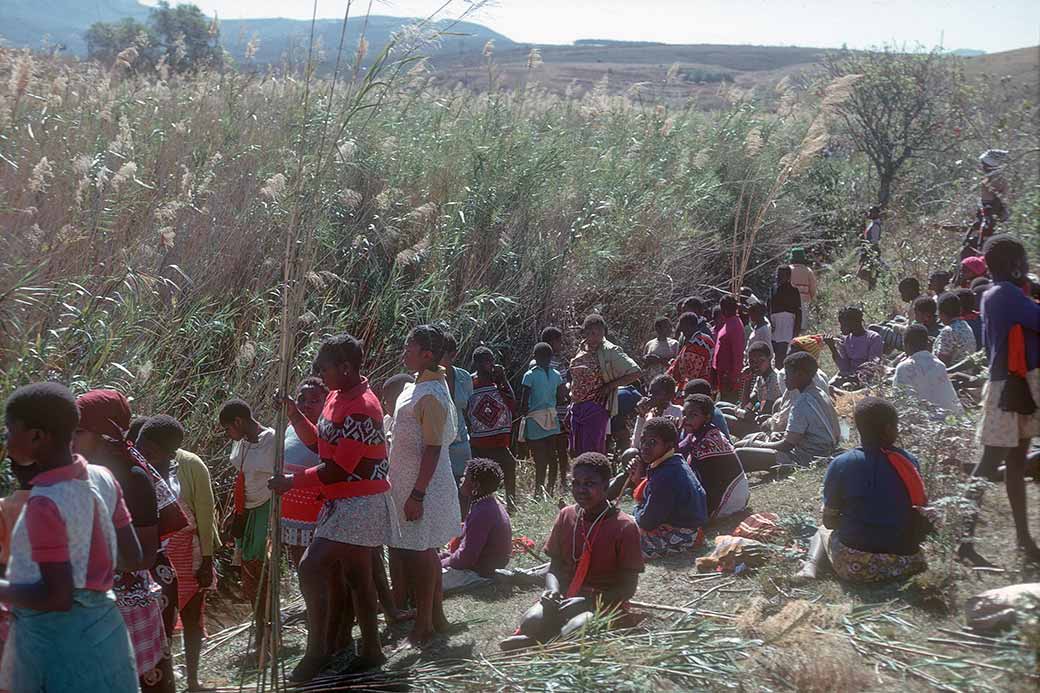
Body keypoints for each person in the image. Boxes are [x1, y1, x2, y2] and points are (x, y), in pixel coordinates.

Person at [268, 333, 397, 679]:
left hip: (360, 502)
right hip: (344, 500)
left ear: (345, 367)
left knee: (311, 567)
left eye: (323, 369)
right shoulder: (337, 397)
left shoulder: (363, 407)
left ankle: (318, 651)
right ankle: (370, 650)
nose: (319, 374)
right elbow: (319, 443)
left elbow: (340, 468)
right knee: (358, 577)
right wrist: (294, 413)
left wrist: (291, 482)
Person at [0, 382, 140, 692]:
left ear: (37, 436)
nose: (6, 440)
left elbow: (57, 597)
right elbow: (133, 558)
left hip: (57, 645)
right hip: (106, 635)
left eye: (10, 431)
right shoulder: (104, 477)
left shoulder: (44, 503)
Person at [76, 389, 185, 693]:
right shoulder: (83, 473)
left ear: (106, 433)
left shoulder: (133, 476)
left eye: (78, 431)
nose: (69, 439)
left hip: (125, 601)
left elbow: (144, 555)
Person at [499, 453, 643, 651]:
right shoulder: (567, 515)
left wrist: (588, 601)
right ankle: (543, 639)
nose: (580, 490)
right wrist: (552, 590)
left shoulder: (625, 527)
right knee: (530, 621)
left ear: (606, 485)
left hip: (603, 601)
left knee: (574, 631)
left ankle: (542, 643)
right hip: (566, 595)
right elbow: (555, 565)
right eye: (576, 483)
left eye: (589, 483)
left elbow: (628, 589)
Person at [796, 398, 928, 583]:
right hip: (906, 561)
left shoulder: (842, 463)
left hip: (858, 566)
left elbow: (829, 521)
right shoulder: (909, 461)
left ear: (858, 428)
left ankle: (809, 568)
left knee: (821, 531)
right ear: (890, 429)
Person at [134, 415, 220, 693]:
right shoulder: (135, 469)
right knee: (160, 625)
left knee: (193, 617)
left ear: (168, 452)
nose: (142, 453)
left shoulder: (190, 465)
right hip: (156, 561)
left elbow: (206, 515)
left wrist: (207, 559)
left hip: (189, 555)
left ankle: (193, 681)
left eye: (149, 451)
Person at [388, 325, 462, 647]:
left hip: (424, 488)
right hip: (411, 485)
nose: (405, 351)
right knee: (426, 551)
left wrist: (417, 494)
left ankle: (423, 625)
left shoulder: (431, 394)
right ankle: (437, 617)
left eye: (409, 346)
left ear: (427, 355)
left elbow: (432, 448)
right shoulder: (420, 385)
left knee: (420, 555)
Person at [970, 235, 1040, 562]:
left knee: (1013, 462)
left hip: (1011, 386)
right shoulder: (1007, 294)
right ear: (1014, 265)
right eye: (1023, 262)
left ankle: (1024, 542)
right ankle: (964, 542)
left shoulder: (993, 294)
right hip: (1007, 389)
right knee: (990, 462)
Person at [219, 398, 276, 625]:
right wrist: (236, 509)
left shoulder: (270, 441)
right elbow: (243, 474)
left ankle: (267, 618)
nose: (227, 434)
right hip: (246, 508)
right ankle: (260, 618)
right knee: (246, 565)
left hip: (265, 505)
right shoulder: (242, 443)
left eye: (227, 428)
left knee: (257, 563)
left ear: (239, 421)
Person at [735, 353, 841, 474]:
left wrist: (760, 445)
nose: (784, 379)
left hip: (805, 457)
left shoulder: (802, 403)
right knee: (746, 441)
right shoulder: (818, 392)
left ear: (801, 375)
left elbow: (787, 446)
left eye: (788, 375)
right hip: (816, 448)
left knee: (740, 454)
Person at [630, 418, 707, 558]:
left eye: (653, 442)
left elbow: (647, 522)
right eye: (643, 441)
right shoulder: (675, 461)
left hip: (683, 536)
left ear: (668, 445)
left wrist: (636, 510)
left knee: (619, 541)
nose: (645, 447)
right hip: (688, 530)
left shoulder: (666, 475)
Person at [569, 314, 642, 456]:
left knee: (592, 452)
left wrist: (609, 386)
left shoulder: (610, 351)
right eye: (591, 333)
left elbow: (636, 372)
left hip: (596, 407)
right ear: (585, 332)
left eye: (599, 333)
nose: (596, 337)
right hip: (577, 407)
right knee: (576, 451)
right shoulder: (582, 348)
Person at [440, 458, 512, 591]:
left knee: (427, 580)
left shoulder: (483, 512)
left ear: (476, 486)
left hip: (482, 573)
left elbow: (466, 558)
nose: (462, 480)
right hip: (482, 567)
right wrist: (443, 557)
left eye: (465, 477)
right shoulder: (487, 504)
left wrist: (440, 564)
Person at [280, 377, 329, 566]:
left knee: (316, 567)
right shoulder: (291, 428)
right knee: (299, 563)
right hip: (292, 514)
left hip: (315, 514)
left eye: (314, 400)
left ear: (327, 402)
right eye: (302, 399)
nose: (306, 405)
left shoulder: (327, 430)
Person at [680, 395, 750, 520]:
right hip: (732, 493)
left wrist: (703, 516)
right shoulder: (698, 434)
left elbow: (711, 486)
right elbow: (678, 450)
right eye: (684, 414)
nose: (686, 419)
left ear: (707, 418)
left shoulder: (708, 441)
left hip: (729, 498)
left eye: (693, 415)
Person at [468, 346, 519, 511]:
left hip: (498, 441)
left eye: (491, 361)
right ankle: (476, 505)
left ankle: (510, 502)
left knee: (509, 465)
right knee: (477, 475)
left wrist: (503, 379)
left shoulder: (497, 381)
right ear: (477, 364)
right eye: (487, 361)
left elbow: (512, 403)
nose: (491, 365)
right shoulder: (470, 383)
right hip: (478, 442)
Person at [520, 343, 569, 498]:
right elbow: (562, 397)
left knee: (540, 459)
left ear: (535, 357)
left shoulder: (529, 375)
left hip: (535, 419)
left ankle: (538, 492)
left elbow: (524, 401)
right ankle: (549, 489)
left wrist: (522, 414)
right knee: (551, 456)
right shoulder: (556, 375)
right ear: (550, 357)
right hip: (551, 418)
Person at [892, 325, 964, 414]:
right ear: (927, 344)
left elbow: (900, 402)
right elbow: (951, 401)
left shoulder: (904, 368)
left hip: (922, 421)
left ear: (906, 345)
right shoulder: (939, 365)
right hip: (949, 419)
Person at [723, 341, 784, 439]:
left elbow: (763, 416)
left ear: (770, 359)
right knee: (720, 406)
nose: (756, 365)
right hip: (757, 418)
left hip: (766, 427)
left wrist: (742, 413)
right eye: (752, 362)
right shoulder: (761, 378)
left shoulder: (774, 380)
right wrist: (747, 381)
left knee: (723, 418)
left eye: (761, 361)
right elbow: (746, 405)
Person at [540, 326, 572, 501]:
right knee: (560, 448)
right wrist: (567, 393)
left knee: (554, 449)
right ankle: (561, 482)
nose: (561, 344)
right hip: (557, 411)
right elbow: (561, 388)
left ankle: (553, 484)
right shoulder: (554, 364)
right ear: (552, 343)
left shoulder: (538, 364)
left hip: (547, 412)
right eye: (559, 341)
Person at [441, 333, 474, 484]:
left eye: (442, 355)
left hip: (461, 444)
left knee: (462, 488)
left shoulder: (464, 377)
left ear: (453, 355)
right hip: (439, 446)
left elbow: (468, 411)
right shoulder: (426, 379)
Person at [824, 307, 883, 389]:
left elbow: (873, 366)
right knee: (828, 387)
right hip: (849, 375)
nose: (841, 328)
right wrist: (832, 347)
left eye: (843, 324)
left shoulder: (873, 338)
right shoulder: (845, 339)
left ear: (854, 323)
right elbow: (844, 367)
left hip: (867, 378)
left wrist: (854, 378)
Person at [629, 375, 683, 454]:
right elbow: (636, 445)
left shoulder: (678, 412)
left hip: (668, 456)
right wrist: (641, 416)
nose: (650, 396)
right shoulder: (648, 414)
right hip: (649, 457)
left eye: (656, 393)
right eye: (650, 392)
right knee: (631, 453)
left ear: (669, 396)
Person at [666, 312, 714, 397]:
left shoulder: (696, 344)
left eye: (683, 328)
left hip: (696, 390)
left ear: (689, 325)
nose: (682, 331)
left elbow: (691, 374)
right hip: (703, 385)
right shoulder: (704, 338)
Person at [768, 266, 803, 368]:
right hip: (775, 325)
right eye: (777, 275)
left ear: (788, 276)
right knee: (774, 353)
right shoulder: (773, 289)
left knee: (784, 353)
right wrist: (770, 322)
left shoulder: (794, 290)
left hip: (787, 326)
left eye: (781, 275)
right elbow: (769, 306)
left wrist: (796, 330)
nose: (778, 277)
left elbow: (798, 312)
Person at [713, 295, 746, 403]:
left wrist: (734, 377)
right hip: (722, 375)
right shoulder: (728, 323)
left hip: (729, 377)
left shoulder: (735, 325)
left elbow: (738, 354)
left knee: (728, 405)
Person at [933, 292, 977, 367]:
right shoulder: (965, 325)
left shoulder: (948, 331)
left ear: (942, 313)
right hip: (966, 373)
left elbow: (941, 363)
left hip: (952, 375)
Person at [379, 373, 414, 443]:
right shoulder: (388, 420)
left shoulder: (412, 425)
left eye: (387, 399)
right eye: (383, 400)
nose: (384, 403)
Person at [643, 316, 679, 383]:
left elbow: (676, 365)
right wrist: (647, 360)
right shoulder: (650, 344)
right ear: (657, 328)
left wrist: (659, 360)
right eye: (666, 327)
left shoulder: (674, 344)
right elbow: (644, 365)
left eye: (670, 326)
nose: (670, 329)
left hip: (668, 381)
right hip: (651, 380)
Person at [858, 206, 883, 289]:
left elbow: (874, 241)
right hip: (869, 250)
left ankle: (874, 283)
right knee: (870, 271)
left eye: (871, 212)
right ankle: (873, 284)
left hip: (871, 250)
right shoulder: (872, 224)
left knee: (864, 272)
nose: (870, 214)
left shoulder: (875, 225)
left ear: (876, 214)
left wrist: (869, 250)